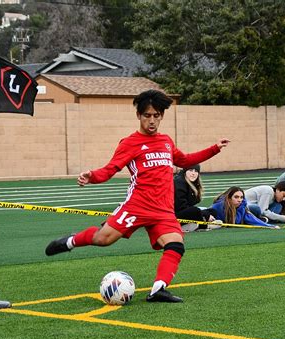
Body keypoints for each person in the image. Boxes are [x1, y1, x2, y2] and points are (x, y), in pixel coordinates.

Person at [45, 89, 230, 303]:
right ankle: (69, 242)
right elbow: (111, 168)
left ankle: (158, 290)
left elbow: (186, 159)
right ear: (139, 116)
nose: (152, 120)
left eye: (156, 116)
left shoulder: (166, 141)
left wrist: (214, 148)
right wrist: (92, 176)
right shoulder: (130, 143)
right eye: (147, 115)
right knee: (103, 239)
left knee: (176, 243)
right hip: (137, 206)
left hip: (163, 210)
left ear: (161, 116)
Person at [174, 164, 220, 232]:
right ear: (185, 171)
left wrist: (204, 213)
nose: (193, 173)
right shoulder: (179, 182)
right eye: (190, 170)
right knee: (195, 211)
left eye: (196, 171)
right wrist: (204, 214)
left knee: (213, 211)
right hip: (172, 215)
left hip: (183, 213)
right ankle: (204, 226)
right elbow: (181, 207)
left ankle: (191, 225)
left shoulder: (192, 183)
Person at [209, 186, 277, 228]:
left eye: (241, 197)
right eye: (236, 197)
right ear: (229, 199)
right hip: (207, 212)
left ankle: (260, 218)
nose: (239, 200)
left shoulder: (242, 205)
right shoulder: (219, 206)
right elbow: (236, 221)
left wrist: (268, 226)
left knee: (255, 209)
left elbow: (249, 217)